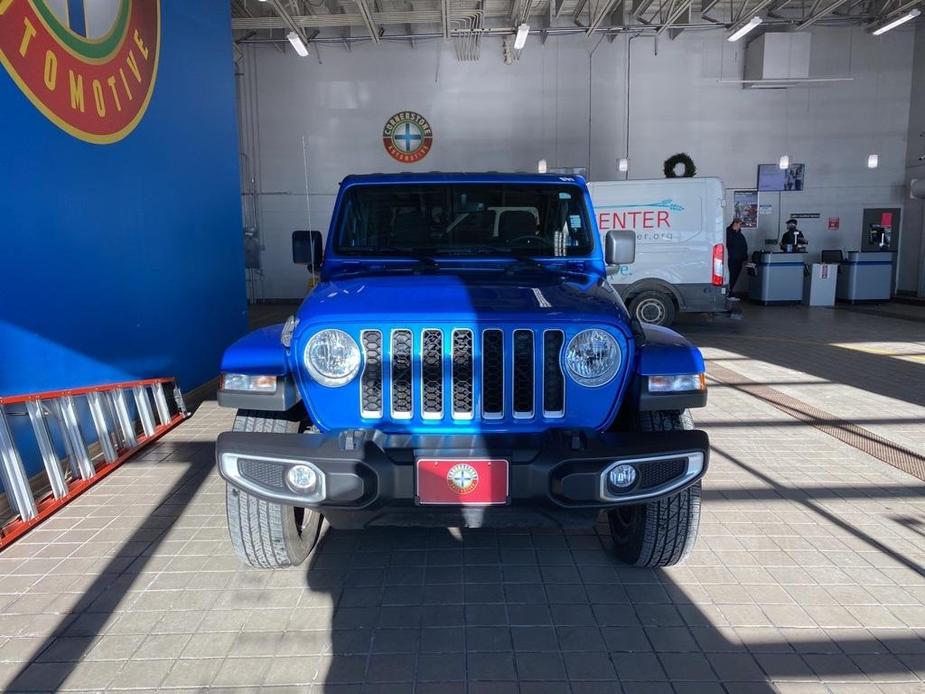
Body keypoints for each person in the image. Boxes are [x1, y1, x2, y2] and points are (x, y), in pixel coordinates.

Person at [725, 218, 748, 295]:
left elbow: (744, 247)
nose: (739, 226)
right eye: (738, 224)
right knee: (730, 276)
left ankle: (730, 292)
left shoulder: (740, 235)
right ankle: (727, 292)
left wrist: (744, 258)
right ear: (734, 223)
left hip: (738, 260)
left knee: (735, 276)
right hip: (730, 259)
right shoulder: (727, 233)